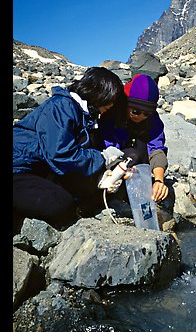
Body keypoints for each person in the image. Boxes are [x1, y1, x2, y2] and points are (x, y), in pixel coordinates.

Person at [13, 67, 125, 232]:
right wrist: (102, 159)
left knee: (85, 197)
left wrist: (102, 176)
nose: (112, 104)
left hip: (40, 169)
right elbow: (61, 154)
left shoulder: (84, 114)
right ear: (99, 92)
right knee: (60, 203)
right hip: (19, 168)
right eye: (111, 98)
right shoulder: (61, 107)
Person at [98, 73, 175, 229]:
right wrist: (117, 168)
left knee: (138, 152)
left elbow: (157, 148)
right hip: (113, 159)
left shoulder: (153, 121)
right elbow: (106, 145)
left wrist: (159, 180)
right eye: (135, 112)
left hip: (136, 162)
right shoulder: (111, 113)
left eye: (146, 114)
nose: (140, 117)